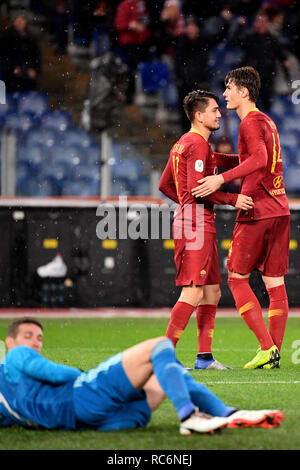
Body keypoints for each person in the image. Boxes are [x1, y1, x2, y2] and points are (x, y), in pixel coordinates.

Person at [0, 317, 284, 433]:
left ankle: (226, 413)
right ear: (9, 342)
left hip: (93, 422)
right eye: (28, 336)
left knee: (162, 375)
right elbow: (54, 372)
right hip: (83, 397)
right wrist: (86, 375)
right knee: (160, 347)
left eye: (39, 337)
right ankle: (192, 415)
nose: (36, 342)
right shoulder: (15, 355)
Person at [191, 66, 290, 369]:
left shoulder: (248, 123)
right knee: (274, 283)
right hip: (280, 207)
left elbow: (258, 160)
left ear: (243, 91)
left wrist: (220, 180)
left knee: (236, 278)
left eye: (229, 87)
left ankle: (266, 347)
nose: (225, 94)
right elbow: (257, 158)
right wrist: (217, 159)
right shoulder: (267, 121)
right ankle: (273, 353)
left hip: (256, 209)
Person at [158, 90, 254, 370]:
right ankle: (164, 357)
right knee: (193, 292)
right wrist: (232, 198)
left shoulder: (183, 144)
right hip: (195, 226)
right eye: (214, 110)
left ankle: (204, 358)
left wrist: (248, 160)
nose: (219, 114)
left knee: (211, 292)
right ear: (199, 116)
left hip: (197, 222)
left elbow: (165, 185)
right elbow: (196, 189)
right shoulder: (197, 144)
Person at [229, 12, 290, 111]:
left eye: (263, 21)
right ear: (255, 23)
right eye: (258, 21)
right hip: (250, 79)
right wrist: (240, 26)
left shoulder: (272, 39)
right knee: (250, 109)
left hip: (267, 78)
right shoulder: (250, 38)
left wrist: (285, 62)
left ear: (267, 23)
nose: (261, 23)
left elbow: (281, 55)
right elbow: (234, 42)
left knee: (266, 108)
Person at [0, 11, 41, 92]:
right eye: (17, 20)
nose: (20, 23)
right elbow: (3, 57)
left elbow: (36, 56)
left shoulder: (31, 38)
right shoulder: (6, 38)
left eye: (22, 20)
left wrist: (34, 70)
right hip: (10, 80)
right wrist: (12, 69)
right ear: (13, 22)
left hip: (28, 80)